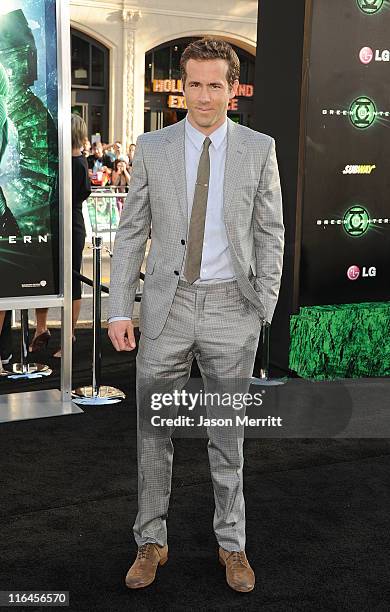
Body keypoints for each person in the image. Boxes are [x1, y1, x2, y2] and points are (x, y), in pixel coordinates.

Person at [108, 39, 284, 593]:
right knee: (153, 430)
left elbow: (270, 232)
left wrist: (264, 306)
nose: (203, 96)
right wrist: (119, 308)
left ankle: (233, 546)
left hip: (234, 307)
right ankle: (150, 541)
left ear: (233, 89)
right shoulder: (153, 147)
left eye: (215, 85)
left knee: (226, 436)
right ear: (180, 87)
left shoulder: (259, 148)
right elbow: (133, 230)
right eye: (195, 84)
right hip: (167, 306)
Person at [53, 113, 91, 358]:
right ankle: (64, 334)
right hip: (70, 225)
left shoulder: (68, 164)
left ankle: (63, 335)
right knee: (67, 280)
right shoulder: (79, 162)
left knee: (67, 280)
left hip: (64, 225)